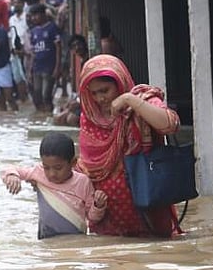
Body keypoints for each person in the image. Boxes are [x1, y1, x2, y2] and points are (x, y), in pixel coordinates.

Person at [77, 55, 181, 237]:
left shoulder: (142, 100)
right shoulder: (90, 117)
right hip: (106, 216)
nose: (100, 98)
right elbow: (85, 165)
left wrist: (130, 100)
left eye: (104, 90)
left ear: (119, 82)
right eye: (94, 93)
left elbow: (170, 124)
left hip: (148, 206)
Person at [0, 132, 107, 238]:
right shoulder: (39, 173)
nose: (52, 174)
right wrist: (12, 176)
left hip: (75, 241)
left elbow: (92, 218)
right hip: (45, 239)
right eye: (46, 167)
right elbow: (10, 169)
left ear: (73, 163)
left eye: (58, 168)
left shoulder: (83, 182)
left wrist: (98, 206)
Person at [26, 5, 62, 112]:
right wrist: (29, 70)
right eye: (32, 16)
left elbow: (58, 48)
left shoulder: (52, 28)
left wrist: (57, 67)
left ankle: (49, 116)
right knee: (37, 96)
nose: (33, 18)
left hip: (49, 67)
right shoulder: (33, 31)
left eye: (36, 15)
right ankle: (41, 118)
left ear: (43, 14)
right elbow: (33, 52)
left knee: (46, 95)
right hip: (37, 67)